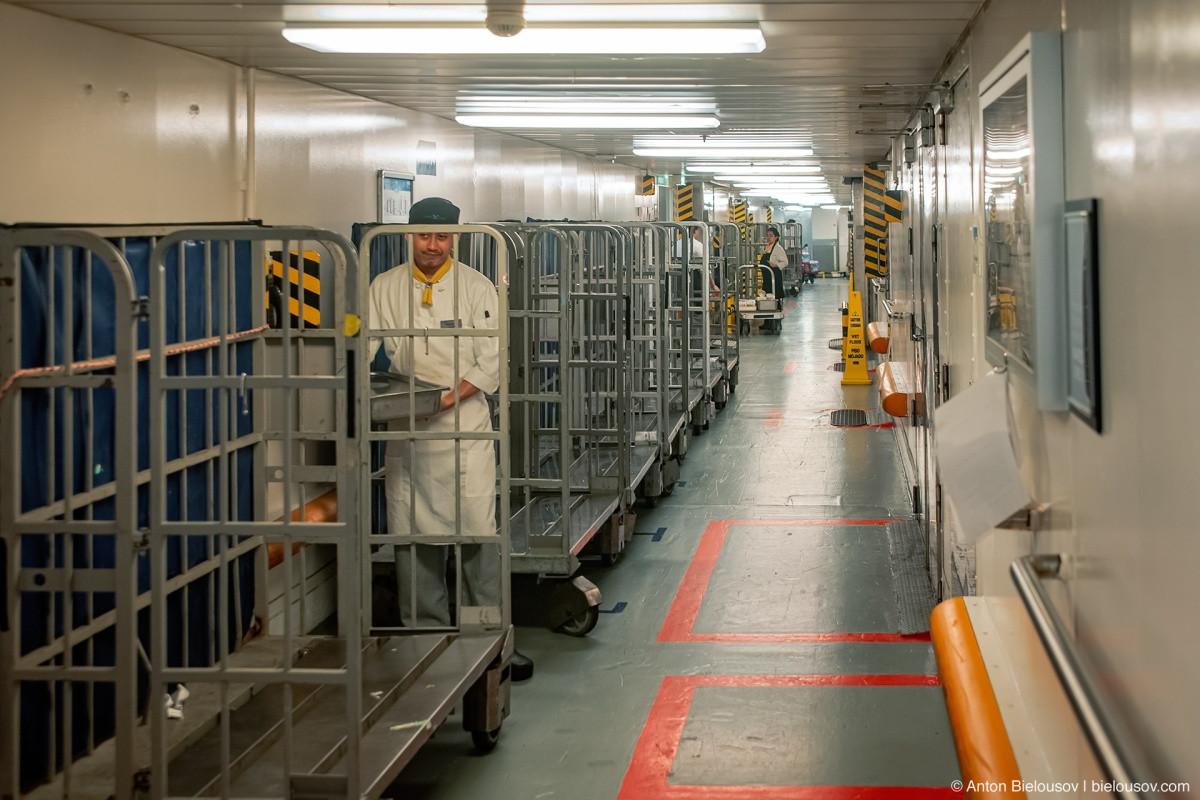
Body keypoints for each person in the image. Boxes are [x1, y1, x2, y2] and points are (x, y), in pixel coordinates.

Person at [368, 197, 533, 679]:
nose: (433, 246)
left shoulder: (477, 287)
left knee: (478, 532)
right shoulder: (384, 287)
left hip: (464, 428)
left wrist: (445, 400)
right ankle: (424, 643)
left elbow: (491, 361)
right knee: (414, 536)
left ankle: (489, 642)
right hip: (409, 432)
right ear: (408, 236)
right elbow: (365, 346)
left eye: (442, 237)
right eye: (424, 236)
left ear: (456, 239)